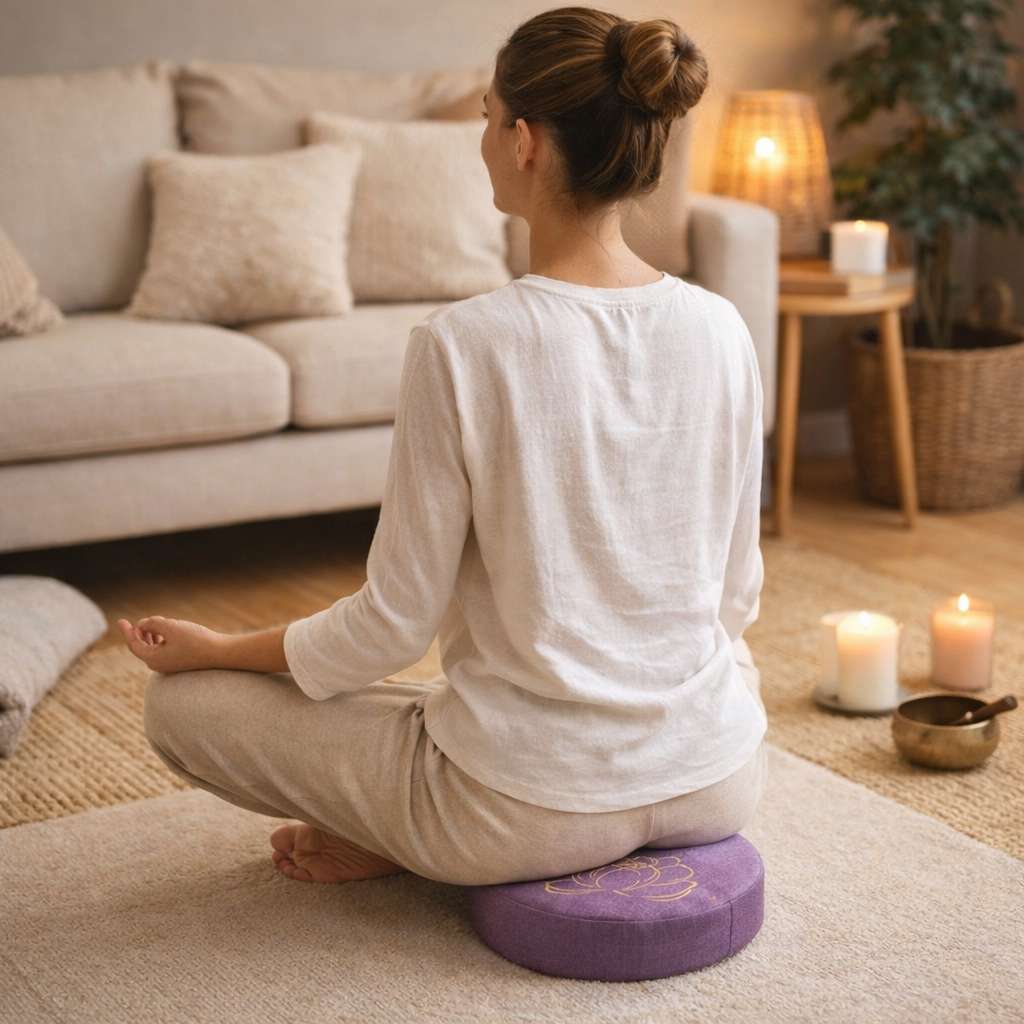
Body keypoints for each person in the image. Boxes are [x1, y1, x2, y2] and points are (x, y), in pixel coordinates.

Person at [119, 6, 769, 888]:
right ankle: (427, 814)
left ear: (526, 142)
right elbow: (736, 599)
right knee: (456, 704)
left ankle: (401, 832)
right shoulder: (724, 328)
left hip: (518, 814)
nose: (484, 141)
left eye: (489, 119)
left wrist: (219, 649)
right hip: (719, 779)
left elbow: (389, 627)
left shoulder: (462, 342)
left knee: (183, 707)